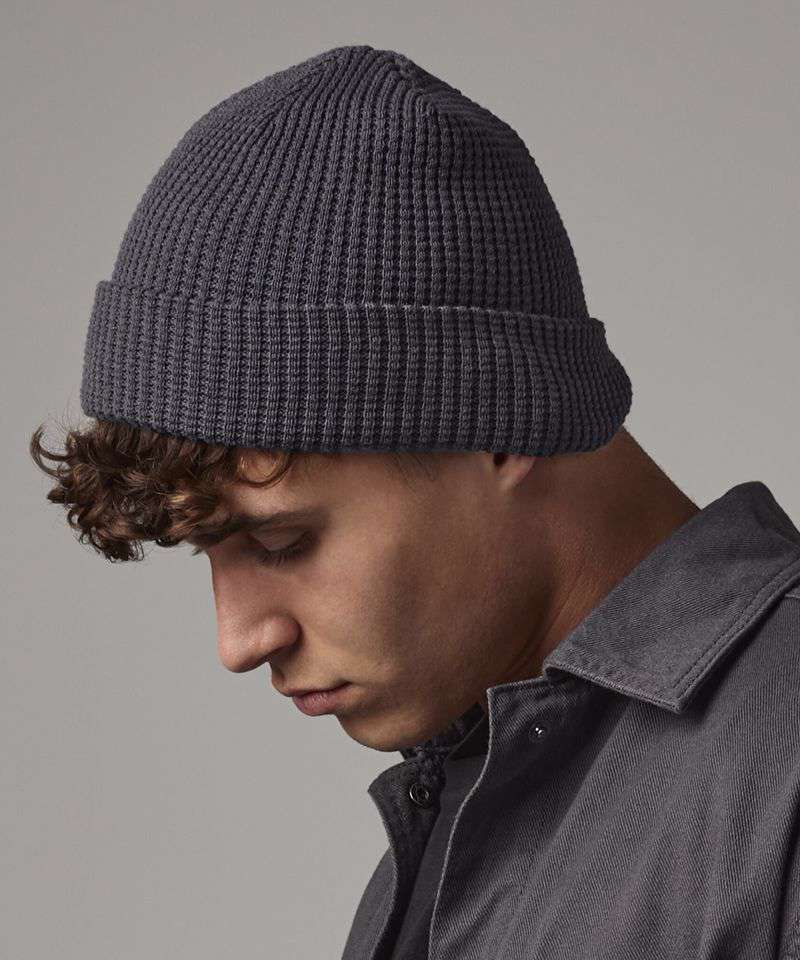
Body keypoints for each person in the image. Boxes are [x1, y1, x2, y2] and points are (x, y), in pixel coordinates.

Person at [29, 44, 800, 960]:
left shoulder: (777, 780)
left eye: (280, 543)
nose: (239, 642)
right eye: (210, 553)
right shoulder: (485, 770)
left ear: (505, 426)